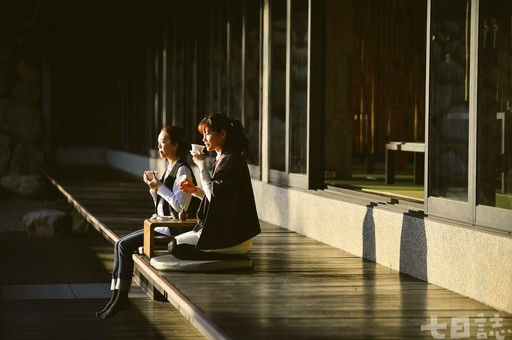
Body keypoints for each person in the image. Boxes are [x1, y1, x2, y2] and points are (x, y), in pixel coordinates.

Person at [96, 125, 198, 319]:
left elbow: (180, 208)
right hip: (161, 225)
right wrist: (154, 190)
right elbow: (163, 207)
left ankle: (122, 297)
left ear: (175, 145)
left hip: (171, 230)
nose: (159, 146)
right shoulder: (170, 168)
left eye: (163, 142)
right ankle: (116, 295)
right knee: (119, 243)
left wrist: (160, 187)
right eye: (158, 143)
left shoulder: (183, 170)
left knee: (124, 246)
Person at [174, 113, 261, 259]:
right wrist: (195, 191)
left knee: (175, 247)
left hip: (234, 235)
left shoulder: (232, 160)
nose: (203, 139)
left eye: (207, 134)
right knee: (175, 243)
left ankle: (222, 257)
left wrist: (202, 165)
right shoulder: (224, 158)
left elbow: (215, 197)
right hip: (230, 232)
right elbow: (219, 199)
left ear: (222, 134)